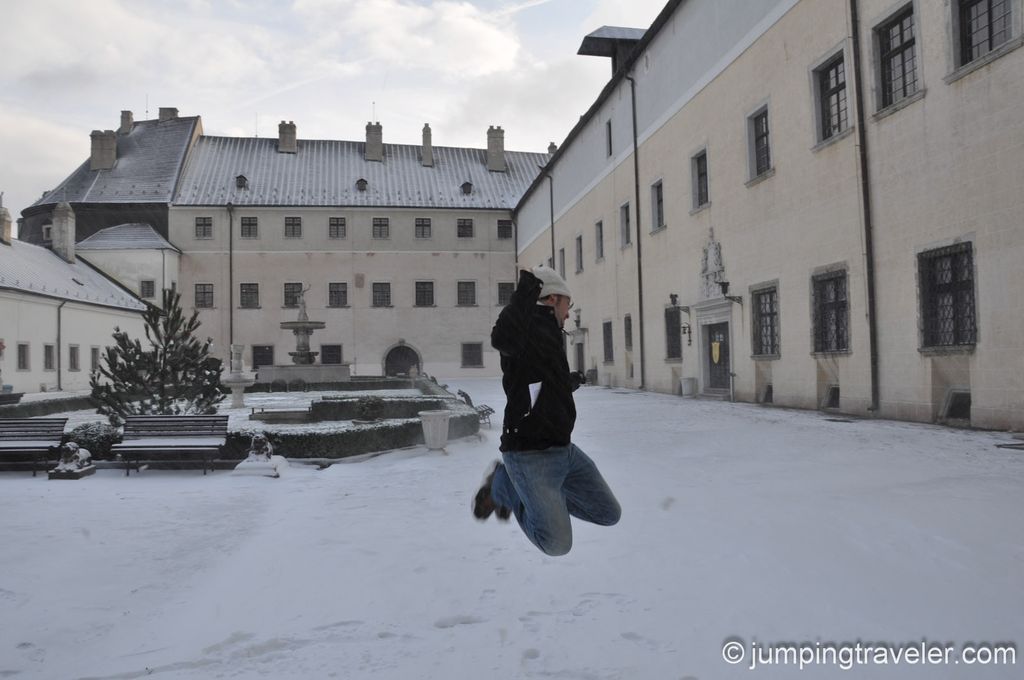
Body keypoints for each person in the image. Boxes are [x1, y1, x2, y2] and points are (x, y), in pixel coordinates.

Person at [472, 265, 621, 556]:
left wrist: (568, 382)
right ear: (553, 299)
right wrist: (527, 289)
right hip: (529, 456)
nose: (569, 313)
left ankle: (531, 494)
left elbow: (538, 380)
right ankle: (505, 487)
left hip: (564, 451)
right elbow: (503, 338)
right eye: (568, 303)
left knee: (607, 513)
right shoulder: (524, 326)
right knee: (556, 544)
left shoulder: (551, 332)